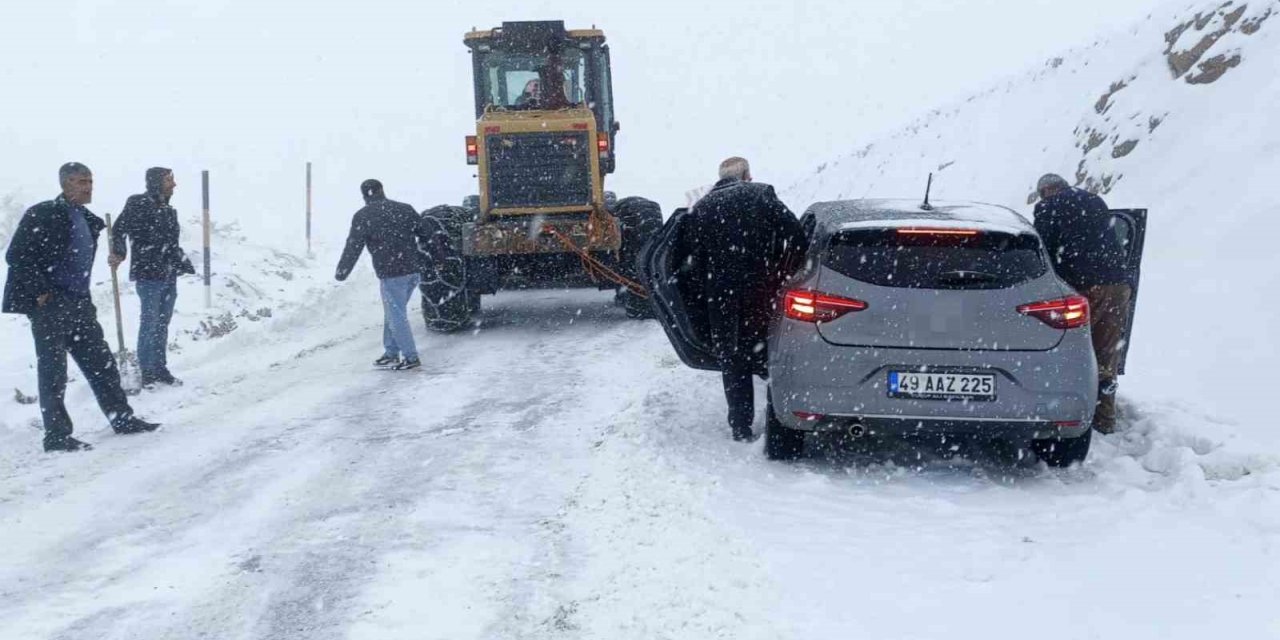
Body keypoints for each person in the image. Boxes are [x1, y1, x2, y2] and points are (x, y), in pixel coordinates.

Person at [2, 163, 161, 452]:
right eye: (81, 182)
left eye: (90, 181)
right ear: (65, 184)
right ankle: (57, 436)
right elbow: (16, 255)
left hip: (79, 304)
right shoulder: (44, 213)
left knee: (102, 364)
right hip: (51, 306)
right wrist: (40, 291)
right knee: (53, 372)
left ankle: (122, 418)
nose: (88, 187)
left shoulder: (87, 219)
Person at [676, 157, 808, 441]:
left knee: (733, 360)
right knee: (772, 353)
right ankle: (781, 421)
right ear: (746, 176)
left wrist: (704, 296)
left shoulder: (701, 207)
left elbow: (693, 263)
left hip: (721, 297)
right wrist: (787, 271)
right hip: (762, 291)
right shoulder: (761, 194)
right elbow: (796, 235)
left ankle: (740, 425)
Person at [1033, 173, 1132, 434]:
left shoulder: (1048, 207)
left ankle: (1072, 414)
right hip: (1118, 284)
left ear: (1045, 192)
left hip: (1082, 286)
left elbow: (1044, 249)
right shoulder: (1094, 201)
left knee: (1074, 351)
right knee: (1106, 351)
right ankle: (1104, 419)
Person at [109, 167, 196, 387]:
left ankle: (160, 368)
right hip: (148, 275)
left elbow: (171, 244)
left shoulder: (169, 211)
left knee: (162, 323)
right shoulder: (137, 203)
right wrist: (119, 253)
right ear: (156, 182)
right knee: (149, 322)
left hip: (168, 274)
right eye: (169, 180)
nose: (174, 184)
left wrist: (181, 262)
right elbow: (119, 229)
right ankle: (147, 371)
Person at [335, 179, 433, 371]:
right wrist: (436, 258)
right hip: (413, 270)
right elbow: (426, 234)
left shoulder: (363, 216)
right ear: (382, 191)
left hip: (392, 273)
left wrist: (342, 271)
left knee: (396, 315)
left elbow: (353, 246)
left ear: (364, 195)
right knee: (394, 311)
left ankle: (411, 357)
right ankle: (391, 352)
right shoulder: (405, 209)